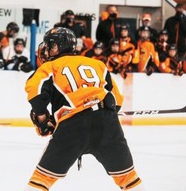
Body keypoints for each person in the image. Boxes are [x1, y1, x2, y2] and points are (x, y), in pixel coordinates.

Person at [24, 27, 144, 191]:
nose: (47, 49)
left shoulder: (50, 67)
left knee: (41, 180)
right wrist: (103, 115)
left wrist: (43, 119)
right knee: (128, 179)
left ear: (60, 47)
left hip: (74, 126)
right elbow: (116, 101)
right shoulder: (98, 64)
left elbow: (34, 92)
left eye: (50, 45)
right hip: (108, 124)